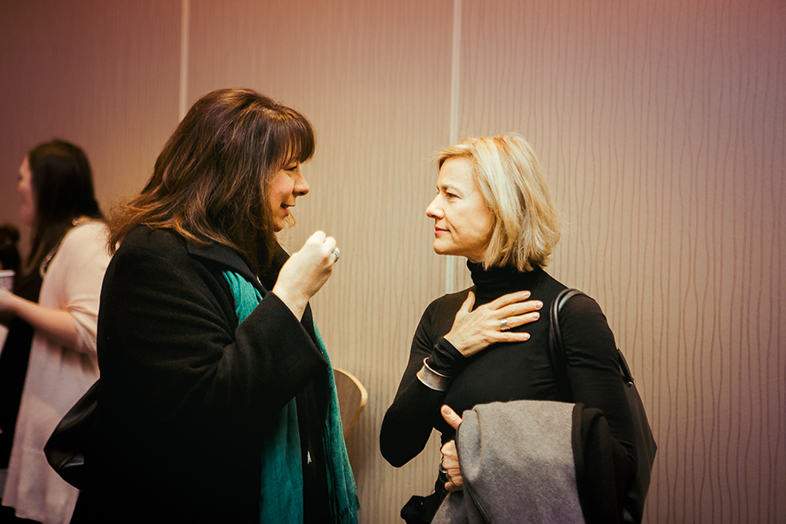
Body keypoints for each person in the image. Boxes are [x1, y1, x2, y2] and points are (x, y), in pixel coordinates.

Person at [70, 88, 358, 524]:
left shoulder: (257, 258)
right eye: (290, 168)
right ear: (238, 174)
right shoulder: (153, 259)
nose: (303, 185)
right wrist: (291, 296)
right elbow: (204, 413)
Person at [380, 134, 636, 522]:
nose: (432, 208)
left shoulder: (572, 315)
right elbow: (395, 447)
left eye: (451, 195)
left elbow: (620, 466)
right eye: (437, 192)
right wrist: (449, 352)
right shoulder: (442, 315)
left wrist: (483, 462)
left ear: (502, 207)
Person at [0, 140, 109, 524]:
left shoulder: (87, 238)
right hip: (36, 420)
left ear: (48, 183)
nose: (17, 187)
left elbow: (89, 330)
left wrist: (12, 304)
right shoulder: (59, 242)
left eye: (22, 177)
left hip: (61, 427)